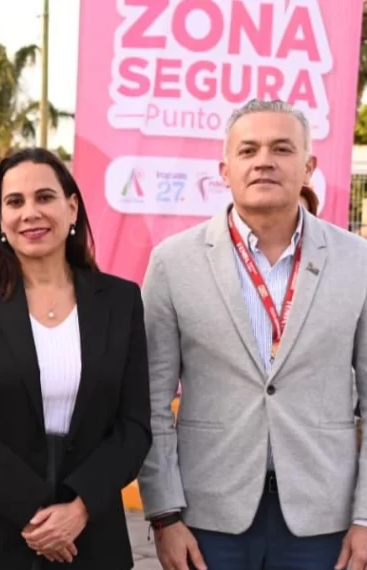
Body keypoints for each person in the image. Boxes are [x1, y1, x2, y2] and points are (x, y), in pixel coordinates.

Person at [139, 98, 367, 570]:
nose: (264, 160)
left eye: (281, 148)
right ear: (225, 170)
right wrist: (164, 516)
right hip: (206, 517)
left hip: (324, 519)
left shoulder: (357, 262)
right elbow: (150, 402)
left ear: (309, 167)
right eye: (248, 150)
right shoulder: (173, 262)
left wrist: (366, 518)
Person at [0, 147, 151, 569]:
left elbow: (134, 425)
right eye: (15, 202)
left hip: (89, 537)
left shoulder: (120, 301)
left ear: (72, 208)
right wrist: (34, 514)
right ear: (0, 220)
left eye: (44, 197)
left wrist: (79, 508)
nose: (30, 213)